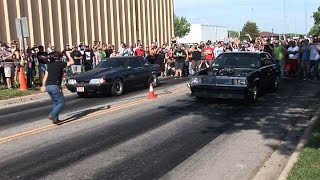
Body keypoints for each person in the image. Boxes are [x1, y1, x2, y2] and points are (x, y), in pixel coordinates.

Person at [40, 49, 74, 124]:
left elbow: (45, 76)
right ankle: (53, 114)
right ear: (59, 58)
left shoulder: (49, 64)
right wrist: (68, 55)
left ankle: (55, 119)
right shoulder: (60, 64)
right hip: (54, 86)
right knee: (61, 102)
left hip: (48, 86)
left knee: (55, 102)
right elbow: (72, 62)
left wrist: (43, 85)